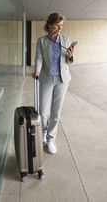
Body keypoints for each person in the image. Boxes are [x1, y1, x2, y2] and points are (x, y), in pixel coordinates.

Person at [33, 13, 74, 154]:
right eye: (57, 25)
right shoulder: (42, 41)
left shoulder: (66, 40)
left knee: (56, 112)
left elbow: (68, 62)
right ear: (50, 25)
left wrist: (70, 56)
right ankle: (43, 133)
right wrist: (36, 71)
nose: (59, 28)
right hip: (46, 78)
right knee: (43, 111)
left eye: (61, 25)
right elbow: (38, 58)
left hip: (62, 80)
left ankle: (51, 139)